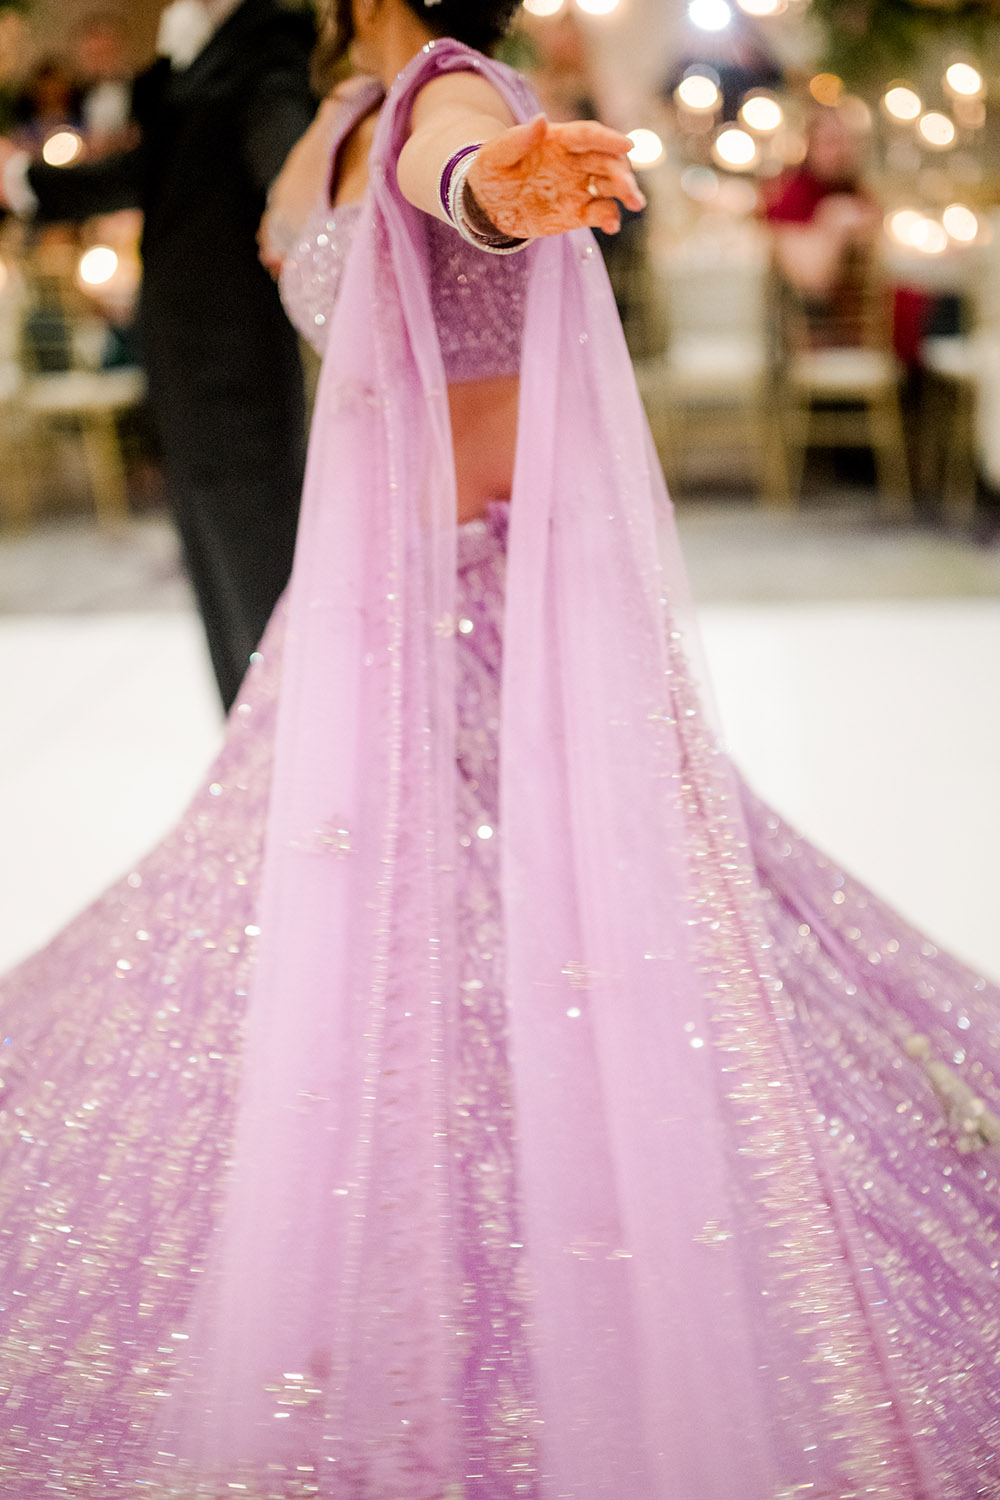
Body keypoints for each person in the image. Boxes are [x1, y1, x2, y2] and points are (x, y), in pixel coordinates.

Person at [1, 2, 999, 1498]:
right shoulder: (335, 110)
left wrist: (496, 187)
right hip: (367, 623)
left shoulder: (445, 98)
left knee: (517, 957)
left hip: (487, 608)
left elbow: (455, 163)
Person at [0, 0, 317, 711]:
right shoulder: (191, 48)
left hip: (236, 346)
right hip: (175, 335)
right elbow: (154, 171)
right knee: (206, 542)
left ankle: (286, 734)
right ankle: (242, 732)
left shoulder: (268, 35)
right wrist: (26, 185)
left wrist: (303, 210)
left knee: (256, 539)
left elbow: (280, 140)